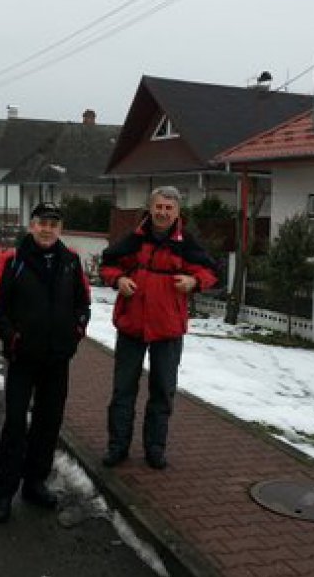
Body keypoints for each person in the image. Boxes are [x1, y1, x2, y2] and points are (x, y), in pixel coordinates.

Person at [0, 202, 91, 523]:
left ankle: (34, 483)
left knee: (49, 423)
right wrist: (12, 338)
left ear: (60, 228)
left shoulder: (71, 261)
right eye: (42, 223)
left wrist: (76, 332)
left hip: (58, 359)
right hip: (23, 359)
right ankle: (3, 493)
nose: (47, 229)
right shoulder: (12, 260)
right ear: (31, 226)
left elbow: (83, 303)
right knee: (16, 424)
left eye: (53, 224)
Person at [99, 186, 218, 470]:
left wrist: (194, 282)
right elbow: (108, 264)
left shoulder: (186, 242)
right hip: (132, 325)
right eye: (159, 207)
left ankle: (155, 448)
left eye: (169, 208)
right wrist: (118, 281)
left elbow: (211, 271)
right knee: (123, 390)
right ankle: (117, 447)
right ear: (150, 208)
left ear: (177, 212)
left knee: (162, 391)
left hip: (167, 328)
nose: (163, 213)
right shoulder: (134, 239)